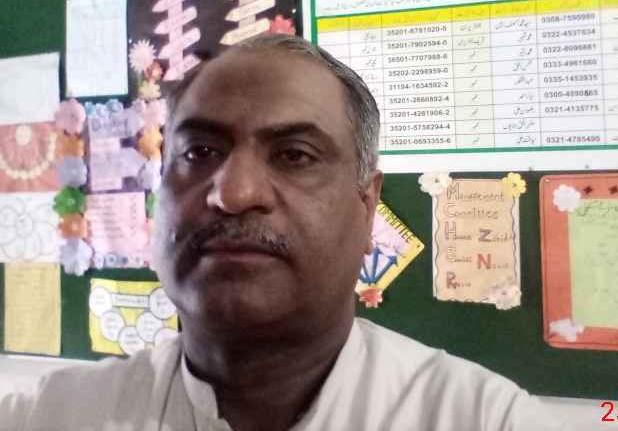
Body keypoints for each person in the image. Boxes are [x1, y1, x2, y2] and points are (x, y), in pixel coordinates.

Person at [1, 34, 547, 430]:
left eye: (294, 155)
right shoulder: (49, 416)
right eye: (199, 152)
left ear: (367, 205)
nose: (234, 193)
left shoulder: (484, 419)